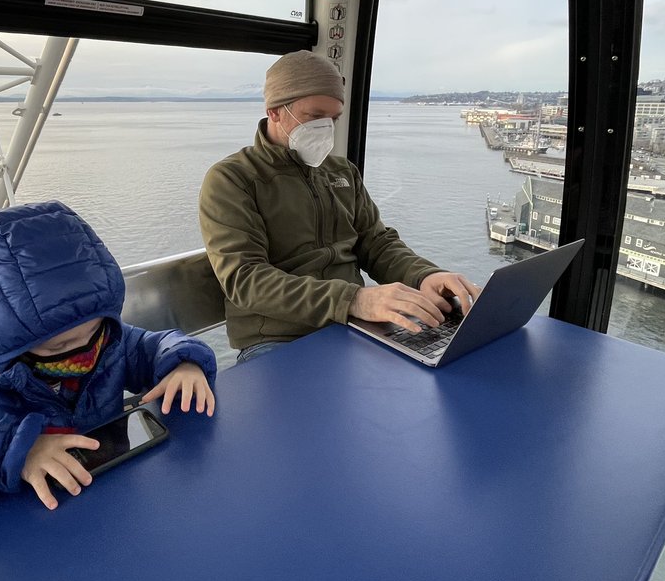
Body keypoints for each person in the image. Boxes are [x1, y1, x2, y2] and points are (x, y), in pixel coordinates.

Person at [0, 201, 216, 510]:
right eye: (58, 347)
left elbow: (153, 345)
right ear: (5, 342)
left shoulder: (108, 342)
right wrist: (18, 450)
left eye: (94, 332)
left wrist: (183, 362)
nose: (85, 352)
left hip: (107, 508)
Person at [199, 50, 479, 362]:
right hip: (278, 339)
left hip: (353, 325)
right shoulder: (233, 180)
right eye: (314, 116)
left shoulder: (342, 172)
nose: (326, 128)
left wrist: (424, 276)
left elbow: (376, 243)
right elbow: (246, 279)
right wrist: (353, 300)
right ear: (275, 111)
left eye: (333, 119)